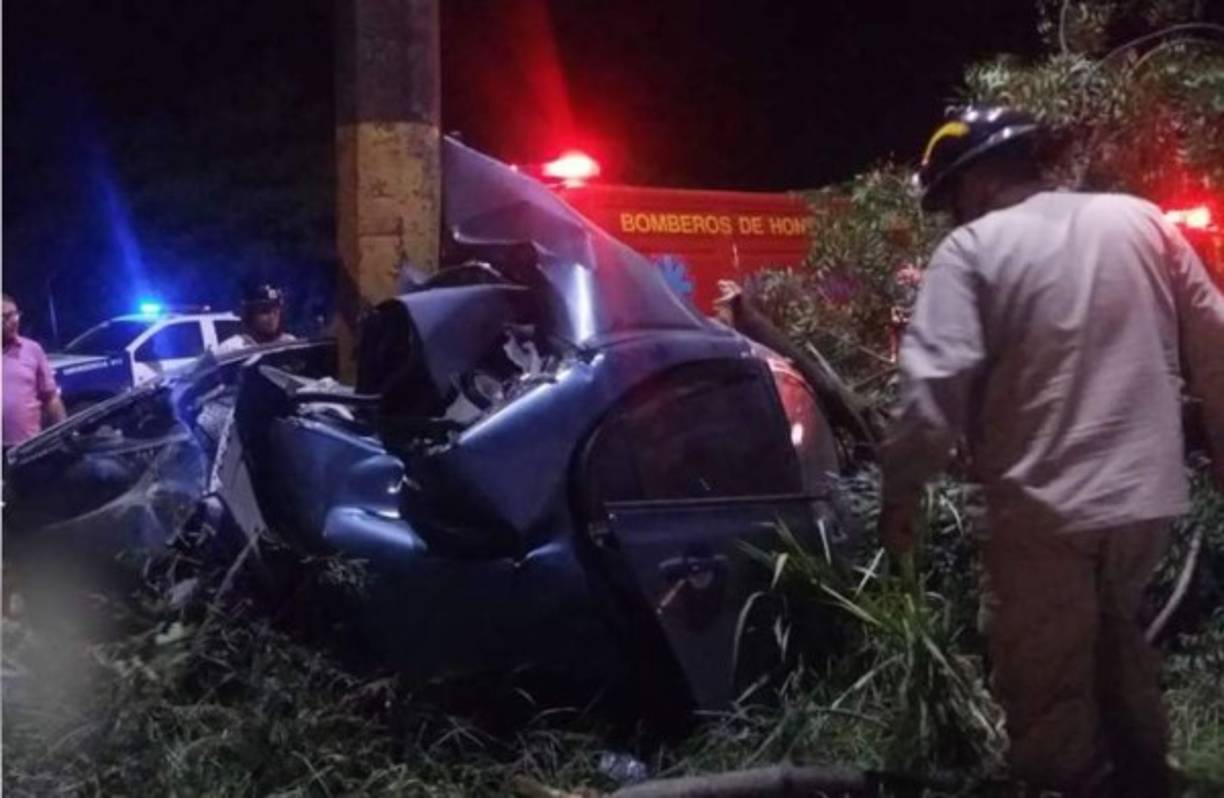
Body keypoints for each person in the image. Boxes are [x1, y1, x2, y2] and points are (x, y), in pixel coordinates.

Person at [879, 106, 1224, 796]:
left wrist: (901, 498)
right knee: (1120, 650)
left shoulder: (973, 249)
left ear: (972, 185)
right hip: (1143, 500)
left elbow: (929, 391)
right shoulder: (1142, 220)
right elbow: (1216, 343)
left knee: (1046, 689)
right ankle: (1149, 780)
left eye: (950, 199)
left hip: (1041, 510)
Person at [3, 293, 67, 450]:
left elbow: (51, 398)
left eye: (15, 314)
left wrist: (65, 434)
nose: (13, 321)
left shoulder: (32, 349)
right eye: (4, 316)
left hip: (28, 449)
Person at [213, 282, 296, 355]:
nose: (272, 317)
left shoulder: (290, 344)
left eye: (275, 311)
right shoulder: (232, 348)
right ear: (250, 316)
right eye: (265, 311)